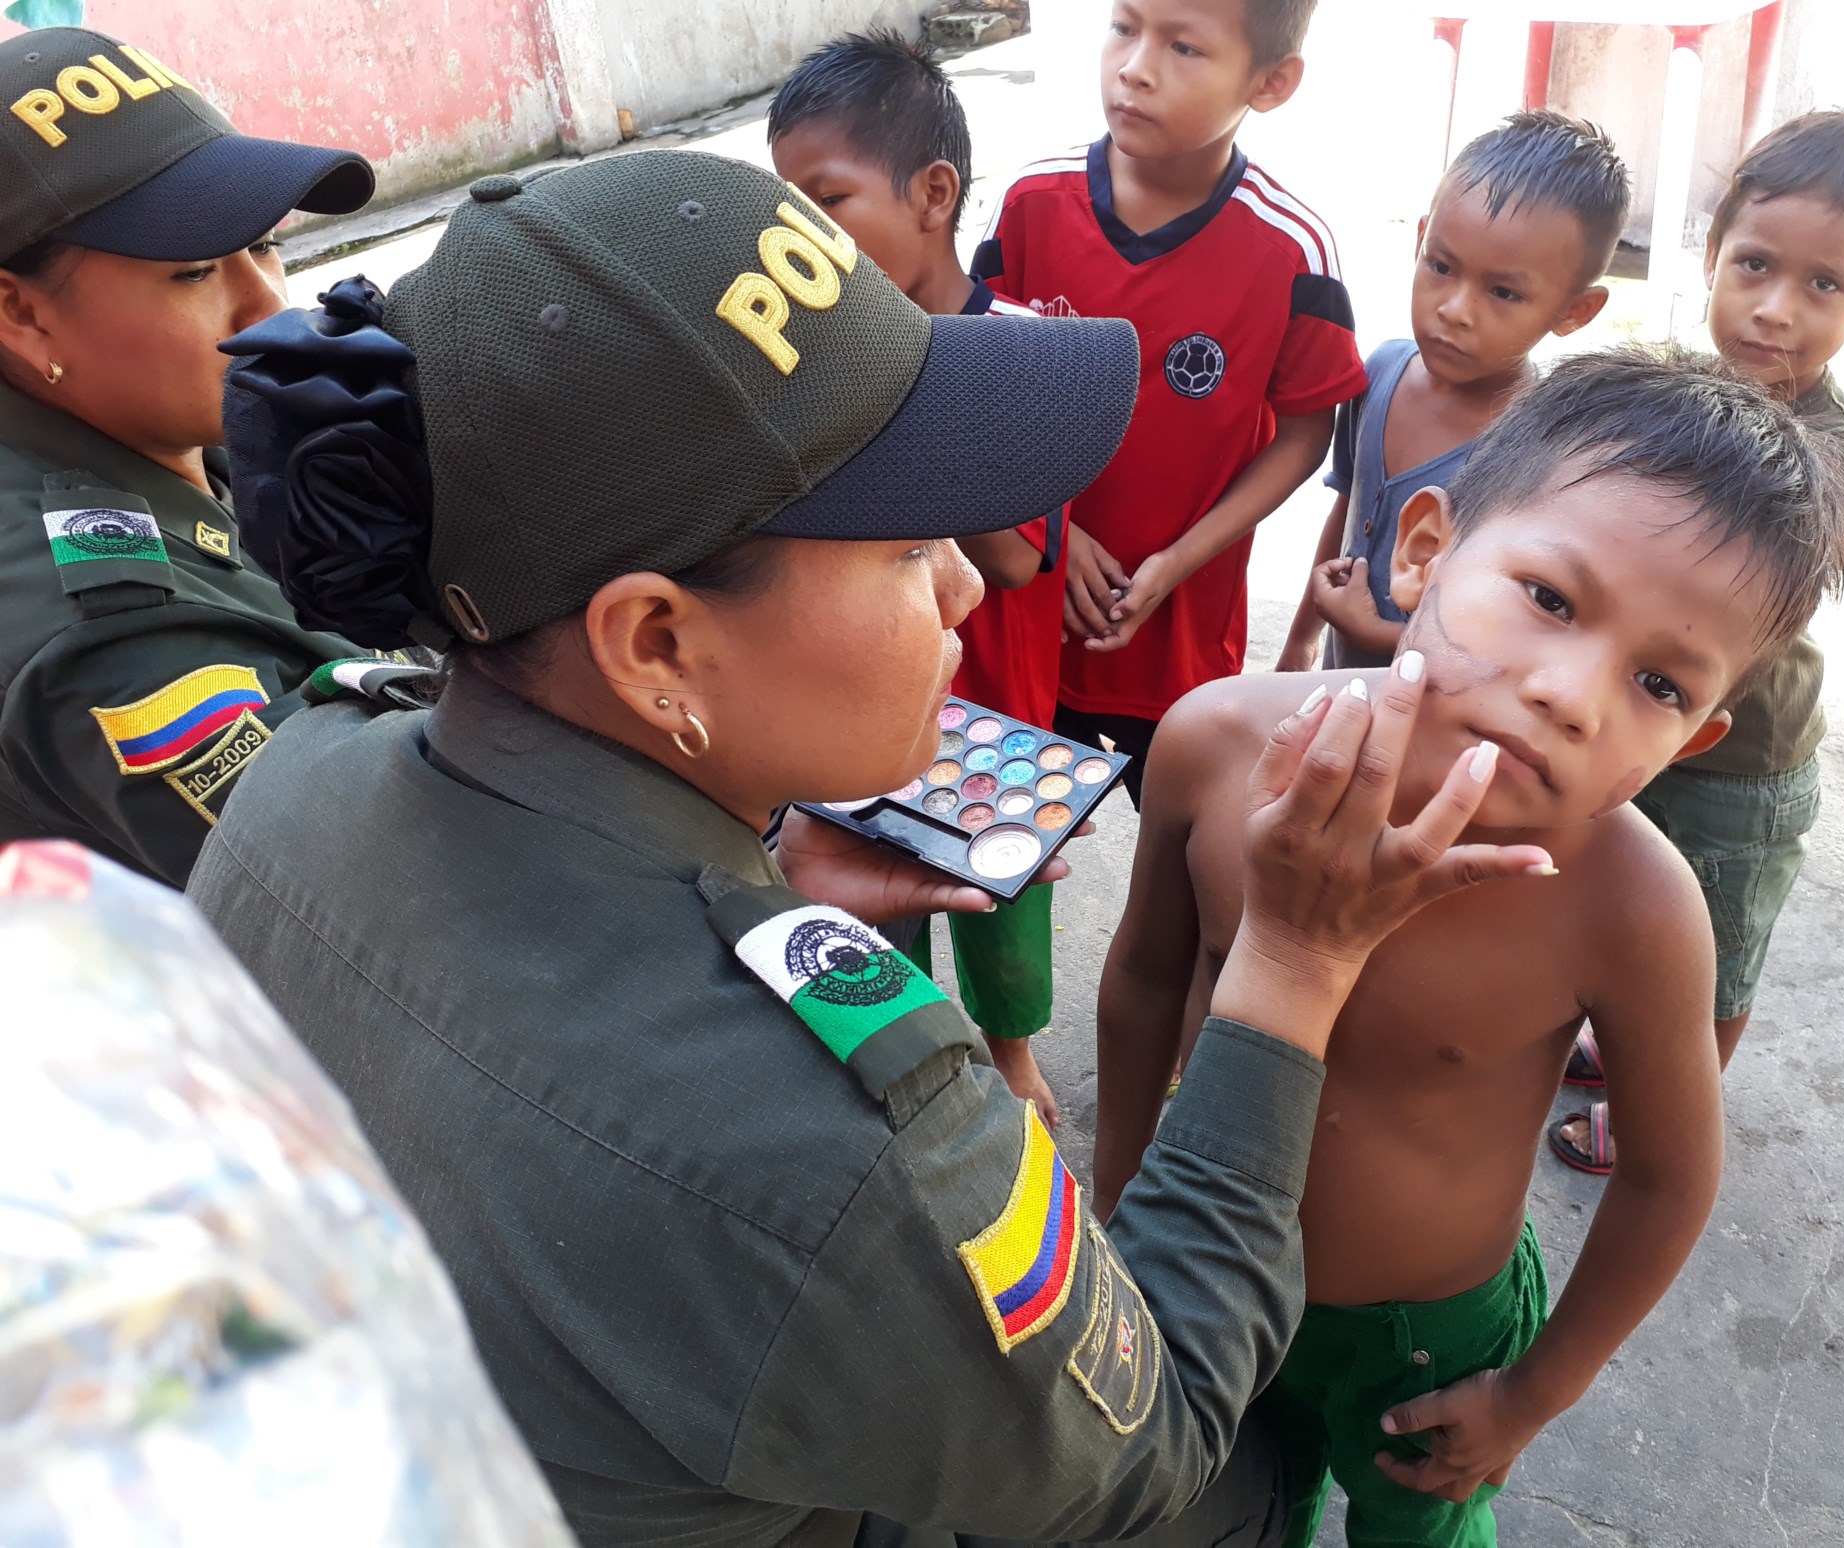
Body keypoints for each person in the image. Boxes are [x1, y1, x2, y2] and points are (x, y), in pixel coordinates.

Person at [185, 151, 1556, 1548]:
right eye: (904, 552)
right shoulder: (846, 1146)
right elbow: (1155, 1446)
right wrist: (1292, 963)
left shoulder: (296, 776)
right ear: (659, 645)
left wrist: (742, 880)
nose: (968, 581)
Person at [1094, 348, 1844, 1548]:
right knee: (1223, 1514)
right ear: (1425, 548)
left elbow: (1671, 1174)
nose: (1571, 693)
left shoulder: (1635, 908)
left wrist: (1532, 1395)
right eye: (1550, 598)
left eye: (1656, 682)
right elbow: (1143, 980)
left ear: (1694, 740)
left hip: (1427, 1343)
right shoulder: (1214, 746)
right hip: (1198, 1266)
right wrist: (1121, 1193)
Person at [1553, 111, 1844, 1173]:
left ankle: (1664, 1113)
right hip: (1643, 727)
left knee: (1713, 958)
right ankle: (1608, 1036)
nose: (1773, 310)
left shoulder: (1831, 455)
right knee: (1622, 904)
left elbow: (1748, 610)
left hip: (1743, 762)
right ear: (1713, 255)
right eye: (1755, 265)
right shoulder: (1672, 385)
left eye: (1824, 286)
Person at [0, 26, 376, 884]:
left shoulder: (176, 429)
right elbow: (379, 890)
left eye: (268, 243)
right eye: (198, 270)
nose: (266, 307)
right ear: (21, 315)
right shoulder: (101, 623)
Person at [770, 30, 1063, 1129]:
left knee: (1000, 899)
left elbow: (1018, 556)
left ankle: (1012, 1051)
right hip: (859, 695)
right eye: (784, 206)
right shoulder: (818, 357)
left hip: (995, 711)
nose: (799, 238)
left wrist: (904, 397)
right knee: (865, 889)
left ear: (933, 194)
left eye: (827, 200)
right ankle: (895, 1058)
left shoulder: (1023, 358)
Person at [972, 0, 1366, 806]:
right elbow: (975, 386)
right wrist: (1053, 530)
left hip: (1182, 633)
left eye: (1184, 46)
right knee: (1007, 848)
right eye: (1123, 26)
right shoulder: (1028, 204)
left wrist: (1176, 563)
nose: (1136, 67)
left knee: (1191, 864)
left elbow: (1303, 435)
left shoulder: (1294, 248)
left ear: (1272, 82)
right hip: (1028, 619)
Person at [1276, 111, 1627, 674]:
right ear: (1420, 240)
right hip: (1336, 689)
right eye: (1440, 265)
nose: (1455, 309)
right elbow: (1349, 512)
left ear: (1574, 311)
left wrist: (1374, 631)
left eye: (1504, 293)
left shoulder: (1539, 454)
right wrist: (1302, 639)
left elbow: (1513, 647)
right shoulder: (1381, 372)